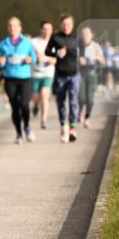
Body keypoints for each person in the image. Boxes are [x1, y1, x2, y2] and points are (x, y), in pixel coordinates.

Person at [0, 17, 38, 144]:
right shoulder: (3, 44)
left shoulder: (26, 42)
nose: (12, 28)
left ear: (20, 28)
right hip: (10, 79)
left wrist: (30, 60)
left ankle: (27, 127)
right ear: (7, 28)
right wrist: (1, 63)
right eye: (10, 26)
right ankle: (18, 133)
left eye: (15, 26)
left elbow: (34, 58)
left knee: (25, 105)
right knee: (15, 108)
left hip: (25, 78)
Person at [44, 14, 81, 143]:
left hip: (74, 74)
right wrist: (57, 53)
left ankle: (72, 128)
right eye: (64, 24)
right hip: (60, 75)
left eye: (69, 24)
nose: (66, 27)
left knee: (73, 101)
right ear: (60, 25)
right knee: (61, 102)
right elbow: (47, 51)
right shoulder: (55, 37)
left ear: (73, 25)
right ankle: (63, 126)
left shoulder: (77, 38)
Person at [77, 26, 106, 128]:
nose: (85, 36)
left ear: (91, 35)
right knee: (81, 98)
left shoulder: (96, 46)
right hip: (80, 73)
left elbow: (103, 61)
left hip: (92, 74)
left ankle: (87, 118)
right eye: (83, 34)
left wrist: (96, 57)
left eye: (87, 34)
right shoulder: (78, 46)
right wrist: (79, 61)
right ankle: (80, 111)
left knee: (90, 99)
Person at [30, 21, 55, 130]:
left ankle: (43, 119)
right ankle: (35, 105)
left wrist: (51, 60)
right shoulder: (34, 42)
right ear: (41, 30)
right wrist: (36, 56)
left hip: (48, 73)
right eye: (45, 29)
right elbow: (29, 54)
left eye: (49, 29)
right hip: (35, 73)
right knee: (35, 98)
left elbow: (57, 58)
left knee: (45, 95)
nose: (47, 31)